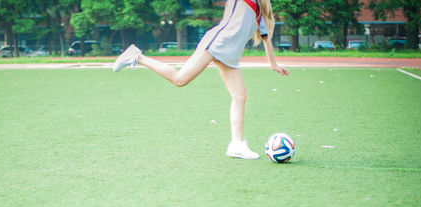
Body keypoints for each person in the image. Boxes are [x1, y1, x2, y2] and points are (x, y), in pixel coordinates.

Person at [113, 0, 289, 160]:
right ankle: (137, 56)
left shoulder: (259, 12)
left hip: (230, 55)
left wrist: (273, 64)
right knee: (180, 79)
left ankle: (236, 144)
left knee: (240, 96)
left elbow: (266, 38)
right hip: (218, 43)